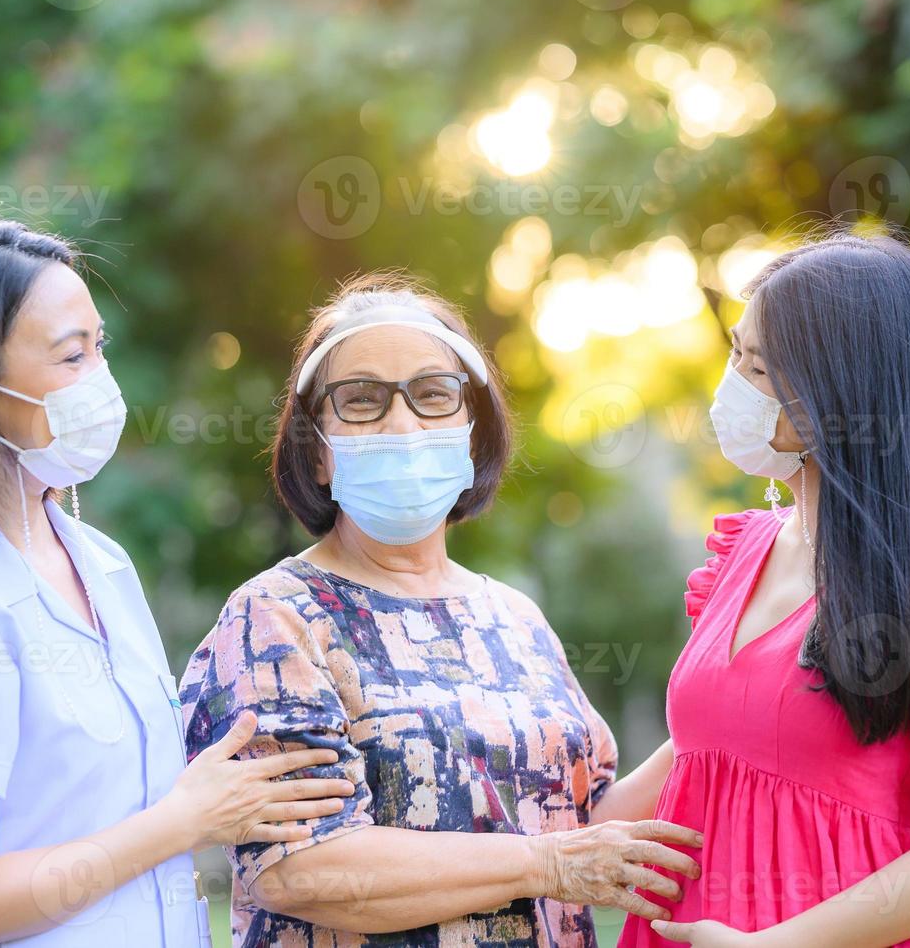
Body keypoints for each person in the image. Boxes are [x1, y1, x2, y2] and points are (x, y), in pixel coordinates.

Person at [0, 219, 354, 947]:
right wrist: (184, 821)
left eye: (98, 347)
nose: (101, 381)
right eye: (70, 356)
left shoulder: (100, 561)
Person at [177, 272, 704, 947]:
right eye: (362, 400)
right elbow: (302, 867)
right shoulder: (273, 620)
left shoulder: (512, 617)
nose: (402, 423)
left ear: (471, 433)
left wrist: (714, 709)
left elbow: (584, 824)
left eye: (432, 395)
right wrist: (542, 865)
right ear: (317, 455)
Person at [615, 233, 910, 947]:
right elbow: (696, 760)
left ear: (838, 391)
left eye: (759, 367)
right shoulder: (741, 551)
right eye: (734, 355)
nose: (732, 387)